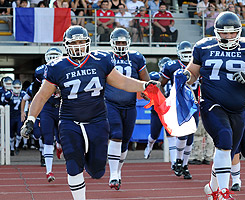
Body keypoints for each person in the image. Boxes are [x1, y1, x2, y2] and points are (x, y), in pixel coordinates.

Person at [20, 25, 158, 200]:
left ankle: (86, 160)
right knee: (73, 164)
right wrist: (30, 119)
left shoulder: (100, 60)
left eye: (81, 42)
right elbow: (40, 97)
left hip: (97, 121)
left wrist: (144, 85)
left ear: (88, 43)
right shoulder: (57, 66)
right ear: (66, 44)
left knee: (97, 170)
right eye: (74, 42)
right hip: (70, 121)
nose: (78, 46)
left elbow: (122, 82)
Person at [185, 11, 245, 199]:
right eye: (224, 33)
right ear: (216, 32)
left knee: (229, 150)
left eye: (233, 33)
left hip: (239, 108)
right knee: (223, 139)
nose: (229, 36)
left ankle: (212, 186)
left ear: (239, 31)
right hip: (211, 103)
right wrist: (185, 77)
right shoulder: (203, 46)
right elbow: (192, 72)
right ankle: (223, 192)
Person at [106, 28, 150, 190]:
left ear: (128, 43)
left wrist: (147, 92)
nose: (120, 45)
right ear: (112, 42)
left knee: (125, 141)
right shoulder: (105, 58)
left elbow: (145, 80)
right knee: (116, 134)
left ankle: (118, 172)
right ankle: (112, 175)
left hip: (129, 105)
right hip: (110, 103)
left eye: (123, 42)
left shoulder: (136, 57)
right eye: (118, 42)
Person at [159, 41, 199, 180]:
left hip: (193, 105)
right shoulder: (172, 66)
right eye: (185, 53)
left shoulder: (198, 65)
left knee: (190, 138)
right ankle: (178, 160)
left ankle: (185, 165)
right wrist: (164, 99)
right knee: (182, 135)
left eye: (189, 53)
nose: (187, 56)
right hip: (178, 105)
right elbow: (161, 83)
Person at [33, 47, 63, 182]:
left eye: (55, 56)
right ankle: (49, 171)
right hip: (47, 108)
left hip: (62, 108)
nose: (53, 58)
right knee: (47, 138)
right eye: (50, 56)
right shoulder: (41, 71)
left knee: (64, 139)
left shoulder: (66, 68)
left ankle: (60, 146)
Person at [144, 57, 178, 171]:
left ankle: (174, 162)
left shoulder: (176, 76)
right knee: (154, 136)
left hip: (169, 110)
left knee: (171, 136)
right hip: (157, 111)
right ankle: (149, 146)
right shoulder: (155, 77)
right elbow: (146, 92)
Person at [4, 79, 26, 156]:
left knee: (20, 132)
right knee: (11, 134)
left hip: (19, 116)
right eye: (15, 87)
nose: (17, 89)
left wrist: (24, 113)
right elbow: (4, 104)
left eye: (18, 87)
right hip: (10, 116)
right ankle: (12, 148)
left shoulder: (23, 94)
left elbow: (27, 103)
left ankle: (16, 146)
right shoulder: (8, 94)